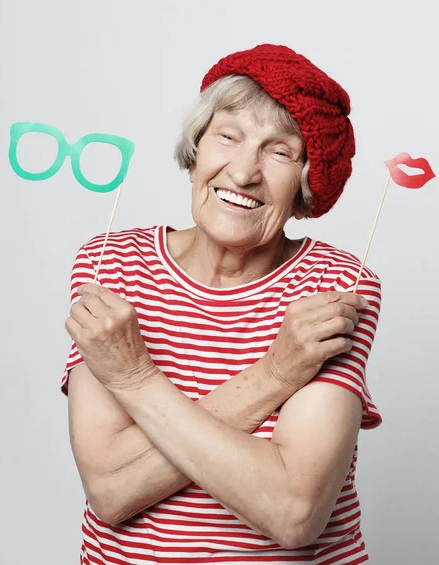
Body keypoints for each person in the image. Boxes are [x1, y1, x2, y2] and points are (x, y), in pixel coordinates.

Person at [62, 44, 382, 565]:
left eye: (279, 152)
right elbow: (111, 490)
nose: (243, 172)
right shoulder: (109, 266)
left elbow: (293, 512)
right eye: (228, 136)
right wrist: (278, 374)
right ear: (196, 150)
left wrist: (135, 380)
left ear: (305, 185)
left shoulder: (337, 285)